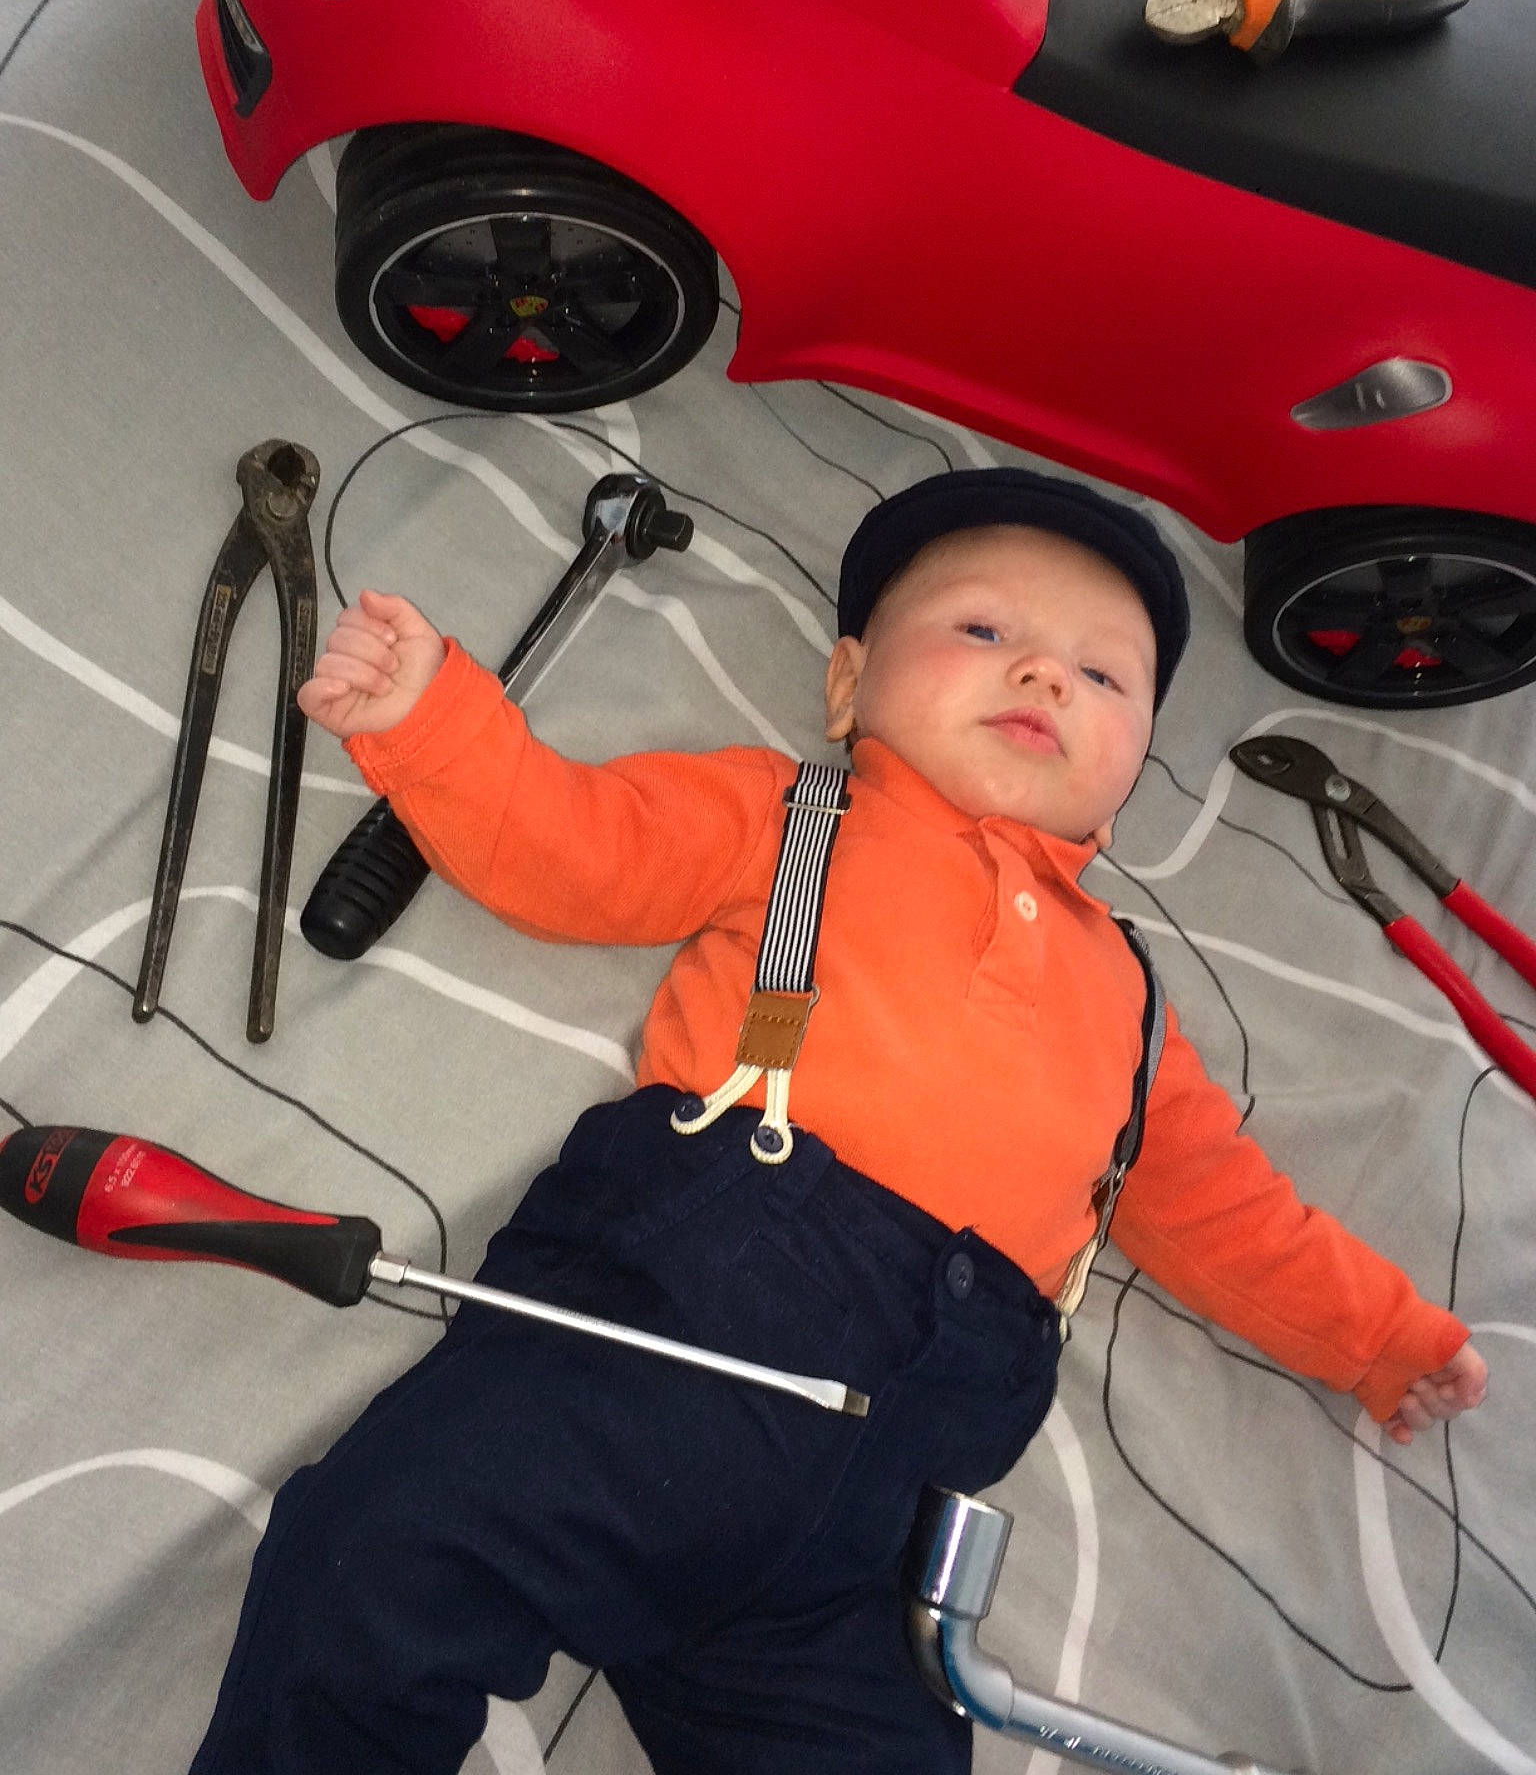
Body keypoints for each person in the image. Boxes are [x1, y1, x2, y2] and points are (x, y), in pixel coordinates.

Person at [189, 467, 1486, 1775]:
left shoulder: (1135, 1003)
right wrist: (433, 722)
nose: (1045, 676)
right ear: (849, 687)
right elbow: (576, 846)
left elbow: (1228, 1215)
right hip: (649, 1360)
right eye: (984, 632)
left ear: (1135, 765)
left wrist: (1379, 1338)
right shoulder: (789, 812)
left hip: (866, 1545)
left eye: (1104, 678)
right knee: (380, 1553)